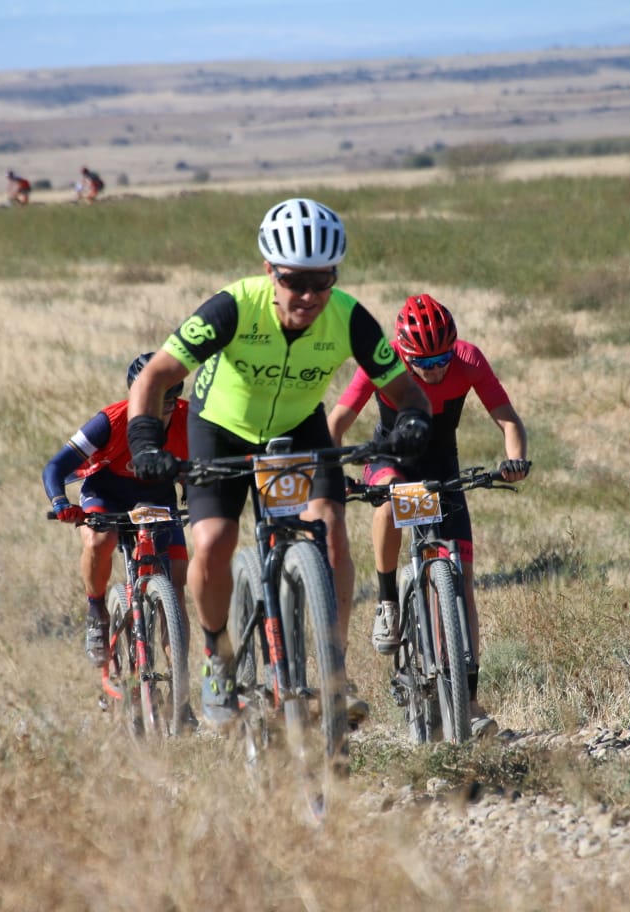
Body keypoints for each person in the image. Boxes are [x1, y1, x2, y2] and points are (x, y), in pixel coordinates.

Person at [124, 197, 432, 726]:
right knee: (214, 541)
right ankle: (217, 656)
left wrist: (412, 422)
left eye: (323, 280)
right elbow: (154, 376)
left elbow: (407, 392)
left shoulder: (349, 317)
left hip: (295, 427)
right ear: (270, 271)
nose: (309, 295)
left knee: (331, 526)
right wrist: (146, 443)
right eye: (294, 281)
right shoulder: (232, 307)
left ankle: (335, 673)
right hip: (220, 426)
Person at [328, 293, 531, 739]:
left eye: (442, 357)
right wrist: (331, 470)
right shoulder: (382, 362)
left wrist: (514, 459)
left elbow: (509, 420)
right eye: (424, 360)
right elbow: (337, 420)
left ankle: (470, 701)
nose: (436, 368)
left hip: (443, 467)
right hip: (391, 461)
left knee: (463, 582)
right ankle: (387, 602)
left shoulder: (468, 360)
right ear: (404, 351)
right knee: (388, 499)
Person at [42, 353, 191, 669]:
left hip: (157, 499)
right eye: (153, 394)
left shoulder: (189, 419)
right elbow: (56, 466)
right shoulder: (110, 421)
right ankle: (97, 612)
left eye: (171, 395)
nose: (162, 404)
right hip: (106, 493)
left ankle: (180, 691)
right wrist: (60, 503)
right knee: (99, 541)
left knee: (176, 589)